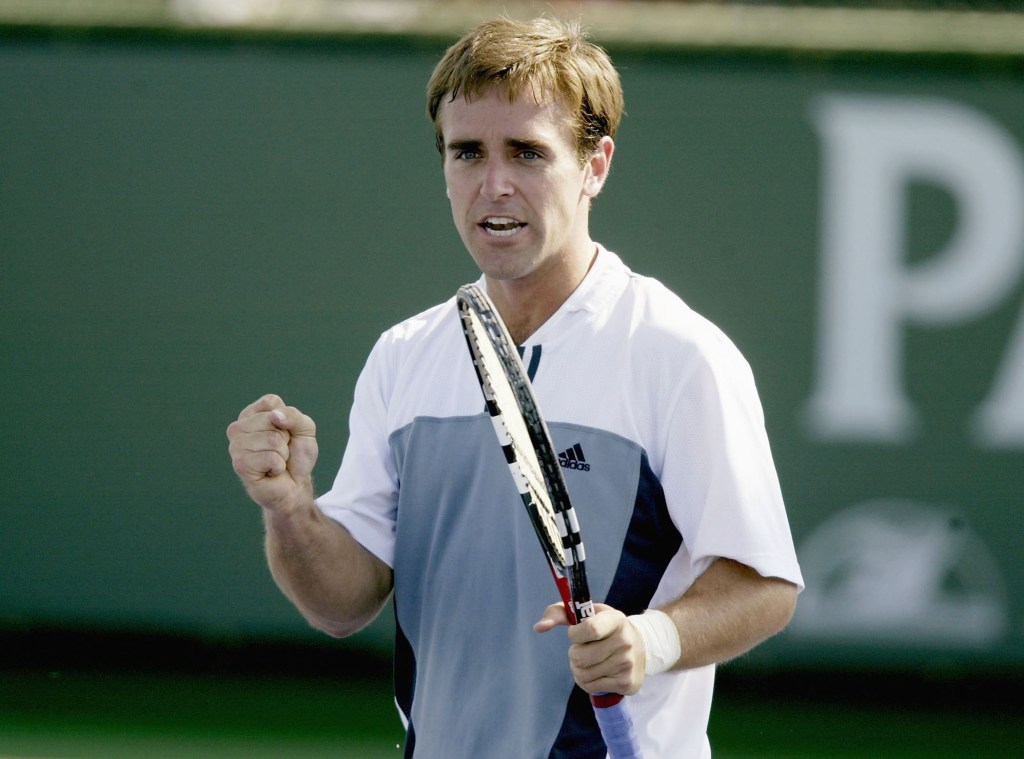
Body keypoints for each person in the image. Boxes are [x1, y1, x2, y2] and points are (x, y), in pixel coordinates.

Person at [227, 15, 803, 758]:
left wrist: (649, 638)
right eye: (468, 152)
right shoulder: (403, 356)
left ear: (595, 165)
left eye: (528, 152)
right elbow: (341, 602)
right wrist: (289, 509)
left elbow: (766, 584)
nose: (494, 185)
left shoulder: (680, 354)